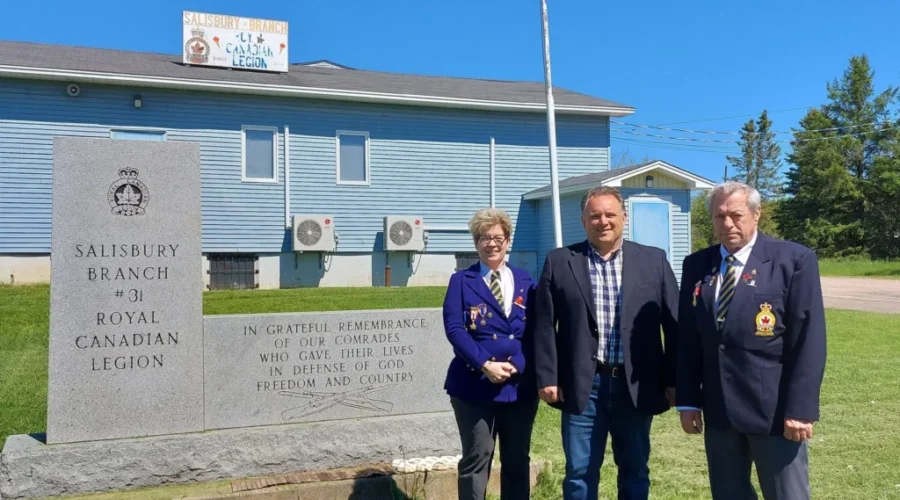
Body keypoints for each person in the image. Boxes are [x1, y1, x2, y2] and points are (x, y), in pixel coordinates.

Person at [676, 181, 827, 500]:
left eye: (736, 214)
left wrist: (800, 408)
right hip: (719, 412)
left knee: (787, 494)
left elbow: (808, 340)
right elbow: (688, 339)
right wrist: (689, 401)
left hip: (774, 413)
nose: (728, 223)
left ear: (756, 215)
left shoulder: (793, 260)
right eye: (720, 216)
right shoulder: (697, 266)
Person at [532, 186, 679, 500]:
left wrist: (673, 380)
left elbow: (674, 326)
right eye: (594, 216)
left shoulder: (654, 260)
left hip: (635, 384)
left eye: (610, 214)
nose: (603, 222)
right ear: (584, 220)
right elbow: (543, 325)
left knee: (635, 469)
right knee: (579, 473)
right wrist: (548, 376)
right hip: (584, 385)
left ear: (624, 217)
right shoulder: (560, 261)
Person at [441, 207, 539, 500]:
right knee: (476, 460)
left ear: (508, 241)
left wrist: (518, 364)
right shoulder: (461, 281)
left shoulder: (526, 280)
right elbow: (455, 329)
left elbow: (537, 329)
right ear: (476, 243)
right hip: (474, 387)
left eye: (498, 237)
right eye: (484, 237)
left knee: (517, 461)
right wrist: (485, 364)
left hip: (518, 387)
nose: (492, 243)